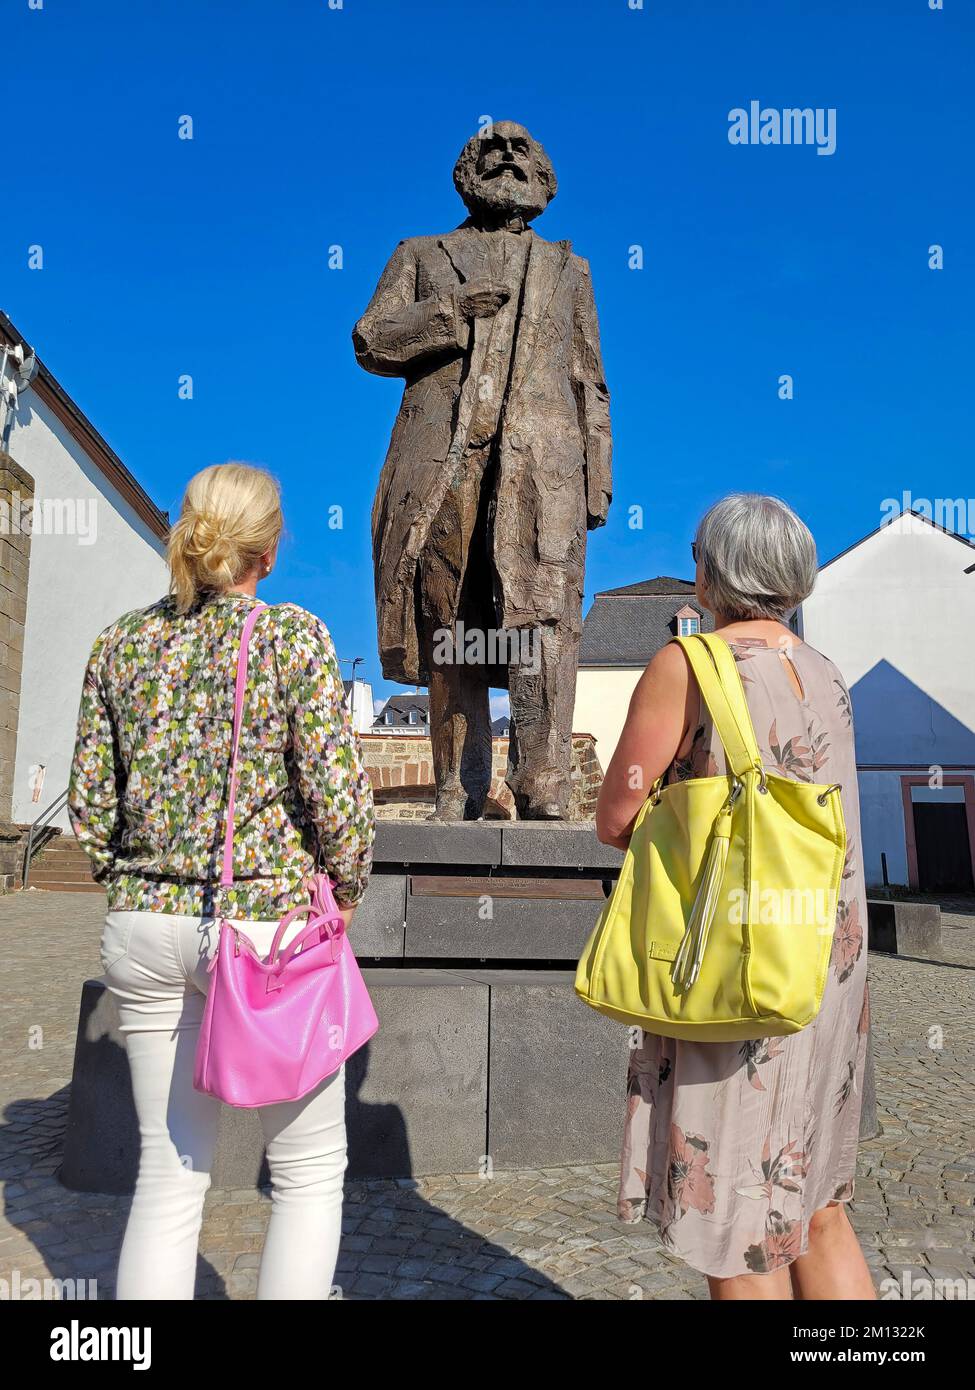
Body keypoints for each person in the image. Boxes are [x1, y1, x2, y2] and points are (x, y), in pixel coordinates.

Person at [68, 462, 375, 1301]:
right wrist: (345, 888)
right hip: (264, 930)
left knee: (167, 1179)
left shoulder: (120, 643)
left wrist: (136, 883)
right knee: (308, 1171)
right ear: (269, 551)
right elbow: (335, 796)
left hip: (142, 925)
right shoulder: (292, 638)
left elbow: (91, 809)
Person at [595, 493, 874, 1301]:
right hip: (825, 961)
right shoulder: (826, 674)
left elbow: (617, 815)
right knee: (816, 1204)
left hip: (734, 958)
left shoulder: (690, 664)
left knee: (737, 1231)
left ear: (709, 569)